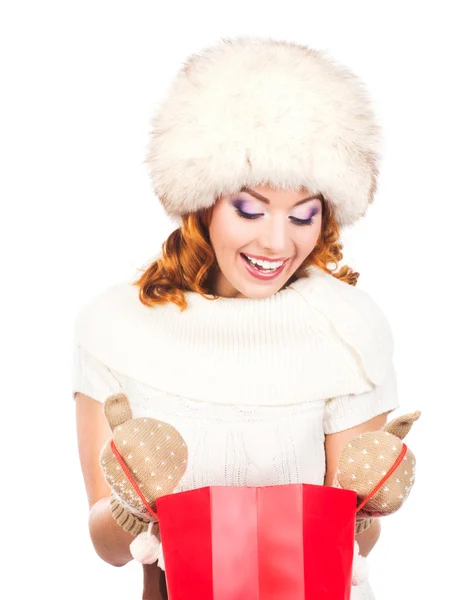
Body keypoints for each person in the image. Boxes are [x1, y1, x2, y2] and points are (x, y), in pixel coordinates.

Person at [73, 37, 400, 599]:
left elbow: (356, 545)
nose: (277, 242)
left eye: (304, 215)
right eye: (249, 208)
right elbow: (106, 546)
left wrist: (366, 508)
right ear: (204, 202)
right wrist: (130, 503)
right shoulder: (115, 328)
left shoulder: (348, 331)